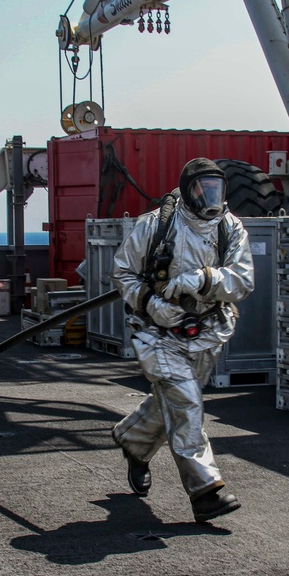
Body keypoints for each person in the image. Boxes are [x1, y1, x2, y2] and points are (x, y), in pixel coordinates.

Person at [110, 158, 255, 523]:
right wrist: (153, 305)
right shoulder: (155, 225)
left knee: (172, 404)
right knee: (187, 405)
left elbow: (242, 280)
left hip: (208, 330)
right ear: (187, 188)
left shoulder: (230, 228)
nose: (210, 197)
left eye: (216, 189)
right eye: (202, 188)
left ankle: (133, 440)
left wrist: (203, 279)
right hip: (157, 332)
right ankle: (206, 491)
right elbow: (123, 273)